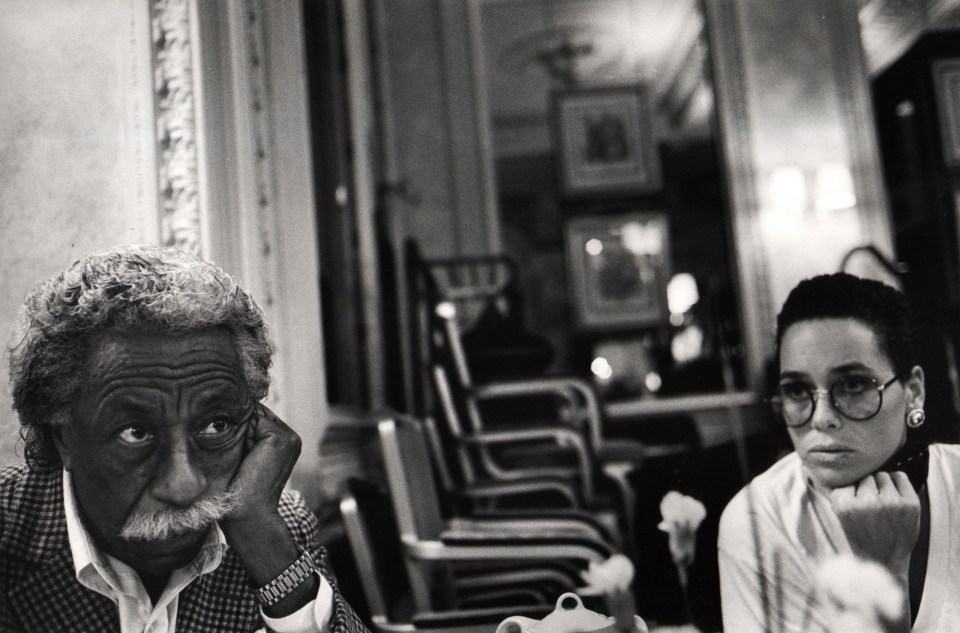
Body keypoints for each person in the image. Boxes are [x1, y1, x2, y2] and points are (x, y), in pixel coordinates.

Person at [0, 245, 369, 633]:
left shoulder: (273, 524)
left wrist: (267, 548)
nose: (185, 486)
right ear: (62, 438)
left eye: (216, 425)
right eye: (136, 433)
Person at [718, 272, 960, 632]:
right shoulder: (757, 519)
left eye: (853, 384)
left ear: (913, 392)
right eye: (798, 390)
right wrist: (885, 571)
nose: (822, 419)